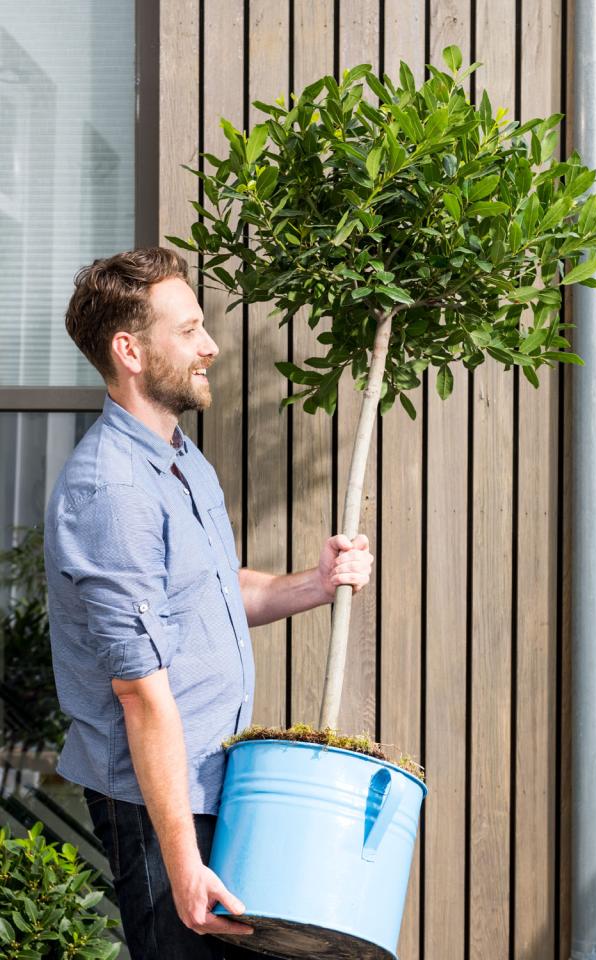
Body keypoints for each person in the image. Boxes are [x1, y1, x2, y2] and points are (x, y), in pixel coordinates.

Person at [44, 247, 373, 959]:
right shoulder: (114, 491)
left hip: (214, 788)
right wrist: (183, 863)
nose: (210, 344)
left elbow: (218, 591)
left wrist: (312, 585)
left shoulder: (179, 459)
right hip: (157, 806)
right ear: (129, 350)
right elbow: (138, 691)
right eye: (189, 329)